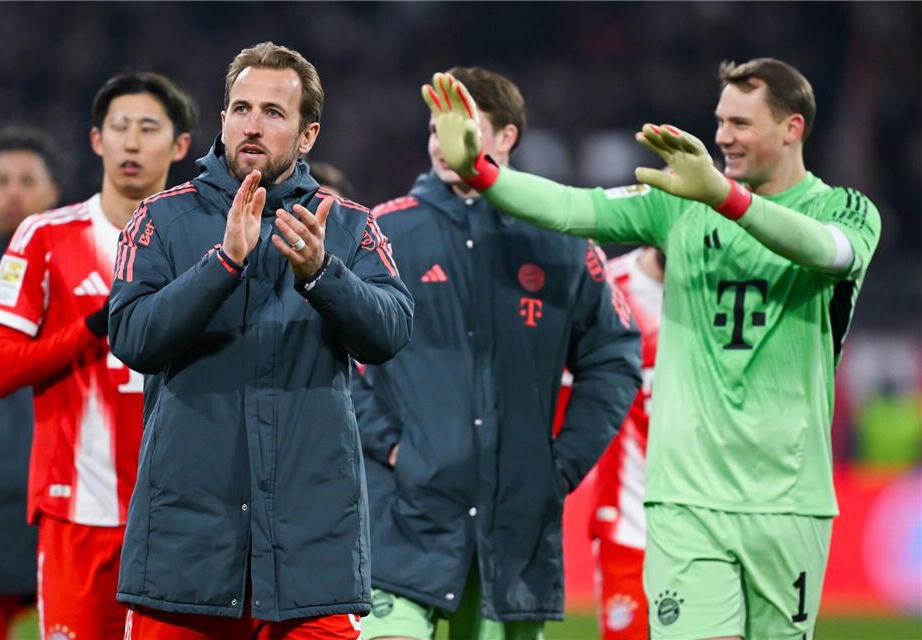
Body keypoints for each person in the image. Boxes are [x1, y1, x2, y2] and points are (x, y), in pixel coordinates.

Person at [424, 58, 881, 640]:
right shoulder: (679, 204)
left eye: (740, 122)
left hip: (789, 499)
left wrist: (724, 197)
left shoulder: (845, 209)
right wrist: (483, 173)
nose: (721, 136)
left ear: (792, 127)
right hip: (685, 498)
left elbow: (830, 253)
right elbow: (573, 208)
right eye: (719, 121)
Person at [107, 41, 413, 639]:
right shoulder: (161, 219)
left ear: (307, 136)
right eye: (240, 108)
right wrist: (222, 264)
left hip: (309, 548)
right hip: (188, 547)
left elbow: (390, 332)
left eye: (274, 113)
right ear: (221, 121)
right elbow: (133, 338)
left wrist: (323, 275)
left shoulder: (347, 224)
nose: (252, 124)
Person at [354, 66, 641, 640]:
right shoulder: (381, 234)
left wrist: (559, 465)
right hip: (404, 520)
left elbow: (613, 357)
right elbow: (338, 357)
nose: (443, 142)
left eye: (463, 126)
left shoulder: (561, 238)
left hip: (514, 529)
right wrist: (392, 448)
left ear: (506, 138)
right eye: (437, 127)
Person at [0, 73, 196, 640]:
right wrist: (95, 327)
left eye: (148, 128)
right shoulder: (43, 238)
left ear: (180, 146)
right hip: (79, 513)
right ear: (96, 140)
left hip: (181, 518)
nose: (131, 142)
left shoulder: (211, 246)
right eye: (118, 127)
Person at [0, 127, 60, 640]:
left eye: (26, 180)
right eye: (1, 180)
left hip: (60, 491)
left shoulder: (78, 263)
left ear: (52, 192)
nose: (13, 192)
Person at [555, 247, 664, 640]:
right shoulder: (608, 289)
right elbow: (564, 396)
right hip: (629, 525)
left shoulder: (727, 289)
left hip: (712, 520)